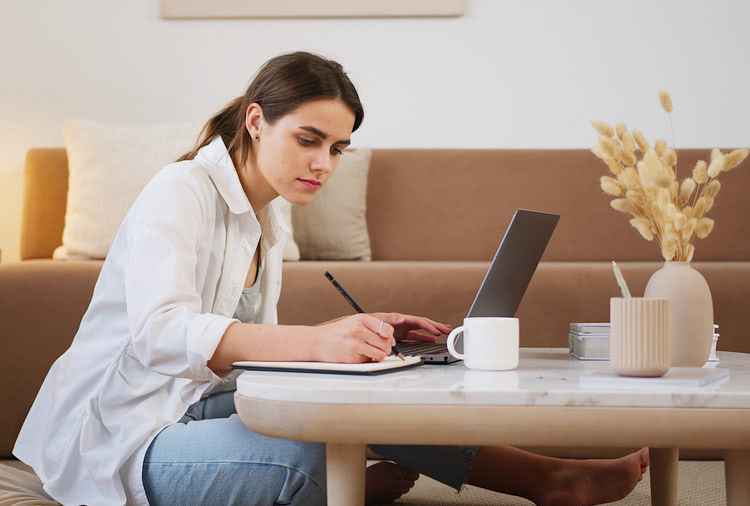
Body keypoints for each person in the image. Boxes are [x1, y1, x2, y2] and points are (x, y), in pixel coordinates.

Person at [14, 51, 649, 505]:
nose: (324, 164)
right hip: (120, 436)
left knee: (371, 395)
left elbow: (243, 353)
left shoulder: (267, 217)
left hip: (190, 406)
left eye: (337, 149)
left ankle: (545, 478)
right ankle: (348, 488)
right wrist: (319, 344)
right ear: (257, 121)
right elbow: (160, 334)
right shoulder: (180, 191)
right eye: (309, 140)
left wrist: (353, 340)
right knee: (313, 454)